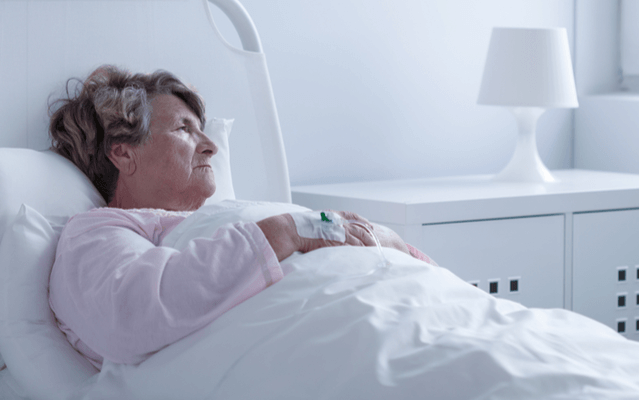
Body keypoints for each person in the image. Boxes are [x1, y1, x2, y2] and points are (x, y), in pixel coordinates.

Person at [47, 65, 434, 368]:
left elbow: (398, 261)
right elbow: (131, 315)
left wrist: (385, 239)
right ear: (123, 154)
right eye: (185, 129)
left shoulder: (232, 216)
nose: (212, 146)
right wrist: (289, 229)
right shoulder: (95, 233)